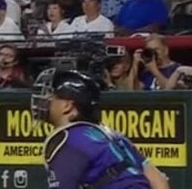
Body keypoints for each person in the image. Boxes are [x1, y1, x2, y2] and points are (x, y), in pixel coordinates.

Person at [30, 68, 170, 189]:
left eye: (51, 96)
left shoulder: (67, 139)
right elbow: (160, 181)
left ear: (67, 106)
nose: (43, 100)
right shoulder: (113, 136)